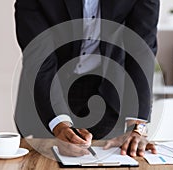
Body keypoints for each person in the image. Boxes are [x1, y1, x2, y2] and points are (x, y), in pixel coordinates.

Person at [14, 0, 159, 157]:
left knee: (110, 162)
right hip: (49, 89)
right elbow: (39, 57)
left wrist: (137, 126)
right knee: (46, 168)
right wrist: (59, 125)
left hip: (107, 90)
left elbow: (141, 48)